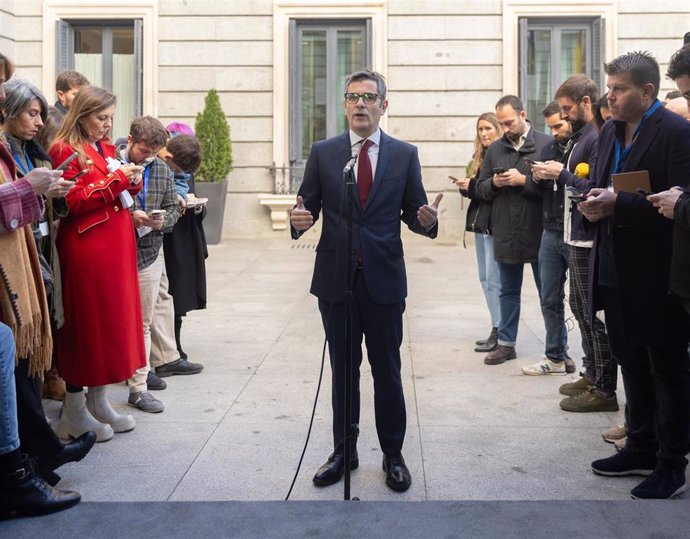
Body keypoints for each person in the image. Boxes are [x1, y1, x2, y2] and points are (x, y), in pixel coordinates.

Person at [290, 69, 441, 492]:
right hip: (336, 280)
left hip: (384, 281)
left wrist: (426, 221)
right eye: (353, 96)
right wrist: (298, 221)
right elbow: (308, 207)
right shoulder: (324, 152)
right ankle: (344, 450)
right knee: (344, 371)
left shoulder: (404, 154)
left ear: (383, 106)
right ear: (344, 105)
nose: (360, 103)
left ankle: (393, 454)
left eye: (369, 97)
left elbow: (415, 211)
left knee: (387, 371)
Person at [579, 51, 690, 499]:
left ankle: (671, 462)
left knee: (667, 366)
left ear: (646, 92)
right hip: (612, 264)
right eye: (609, 88)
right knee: (631, 362)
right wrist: (593, 201)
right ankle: (641, 444)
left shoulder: (678, 133)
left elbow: (682, 205)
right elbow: (605, 181)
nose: (610, 96)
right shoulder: (609, 129)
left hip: (658, 271)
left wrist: (619, 203)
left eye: (619, 89)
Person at [0, 54, 81, 516]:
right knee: (16, 353)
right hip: (14, 272)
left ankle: (36, 457)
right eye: (29, 112)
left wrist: (50, 194)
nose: (37, 119)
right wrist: (31, 188)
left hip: (32, 262)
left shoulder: (34, 150)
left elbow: (37, 210)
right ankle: (29, 463)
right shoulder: (11, 147)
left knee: (24, 352)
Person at [49, 85, 146, 443]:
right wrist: (119, 178)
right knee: (86, 325)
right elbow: (73, 201)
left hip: (113, 247)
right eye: (100, 118)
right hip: (87, 250)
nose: (107, 125)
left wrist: (130, 184)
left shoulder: (103, 148)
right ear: (82, 116)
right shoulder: (64, 149)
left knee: (109, 326)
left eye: (110, 117)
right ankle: (73, 412)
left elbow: (111, 193)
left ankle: (98, 401)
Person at [474, 95, 551, 366]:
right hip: (505, 229)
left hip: (540, 231)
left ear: (522, 114)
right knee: (507, 291)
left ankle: (557, 350)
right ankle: (506, 344)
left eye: (508, 122)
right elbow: (480, 189)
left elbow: (555, 188)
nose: (505, 128)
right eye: (502, 124)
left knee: (549, 294)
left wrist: (524, 181)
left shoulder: (546, 144)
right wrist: (494, 182)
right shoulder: (495, 149)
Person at [116, 116, 181, 413]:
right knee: (112, 320)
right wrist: (130, 218)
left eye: (154, 152)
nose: (148, 158)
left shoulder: (163, 171)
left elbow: (172, 210)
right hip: (115, 251)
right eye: (144, 151)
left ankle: (138, 388)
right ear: (130, 141)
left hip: (149, 252)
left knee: (142, 322)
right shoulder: (110, 164)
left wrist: (160, 222)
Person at [157, 130, 208, 363]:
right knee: (166, 296)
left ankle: (175, 345)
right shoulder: (158, 166)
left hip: (184, 238)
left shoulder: (185, 165)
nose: (182, 174)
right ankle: (167, 350)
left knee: (180, 295)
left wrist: (196, 207)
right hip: (165, 239)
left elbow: (193, 194)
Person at [453, 113, 502, 353]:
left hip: (495, 225)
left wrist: (472, 185)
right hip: (480, 224)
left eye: (488, 128)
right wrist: (466, 186)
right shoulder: (478, 157)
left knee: (495, 280)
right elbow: (478, 190)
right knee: (485, 279)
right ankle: (496, 327)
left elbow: (491, 190)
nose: (484, 133)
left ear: (498, 129)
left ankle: (501, 330)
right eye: (480, 129)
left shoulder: (501, 154)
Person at [35, 70, 89, 152]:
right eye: (76, 95)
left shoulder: (80, 119)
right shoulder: (52, 119)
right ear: (61, 95)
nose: (82, 99)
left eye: (83, 95)